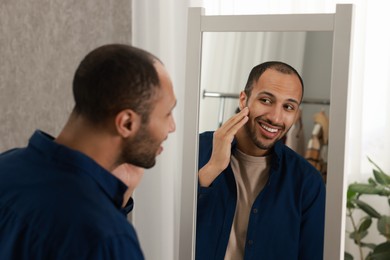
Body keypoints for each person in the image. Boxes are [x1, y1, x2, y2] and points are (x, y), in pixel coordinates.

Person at [0, 44, 176, 259]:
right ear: (127, 123)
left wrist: (114, 201)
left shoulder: (5, 166)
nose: (172, 127)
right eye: (168, 114)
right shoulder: (107, 238)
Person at [196, 61, 325, 260]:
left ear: (296, 113)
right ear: (243, 100)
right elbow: (162, 229)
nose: (275, 117)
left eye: (288, 107)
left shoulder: (308, 182)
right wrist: (212, 169)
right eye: (266, 100)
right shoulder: (195, 151)